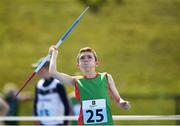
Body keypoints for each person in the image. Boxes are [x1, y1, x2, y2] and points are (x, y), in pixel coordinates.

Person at [49, 46, 130, 125]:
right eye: (82, 58)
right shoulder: (76, 81)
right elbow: (53, 73)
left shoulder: (106, 77)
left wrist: (123, 103)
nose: (86, 60)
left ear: (96, 63)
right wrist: (54, 54)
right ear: (78, 65)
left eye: (89, 57)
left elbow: (118, 99)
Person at [33, 58, 70, 125]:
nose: (37, 71)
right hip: (43, 123)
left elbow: (66, 105)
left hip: (57, 123)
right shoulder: (38, 85)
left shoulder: (58, 84)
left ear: (48, 68)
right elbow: (35, 103)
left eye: (40, 68)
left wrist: (65, 123)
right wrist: (35, 118)